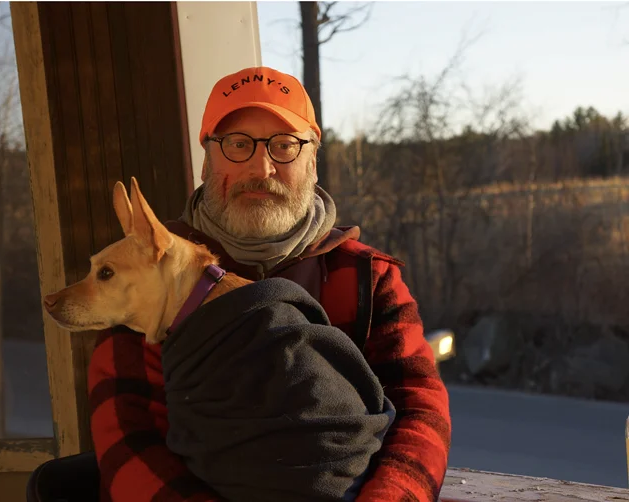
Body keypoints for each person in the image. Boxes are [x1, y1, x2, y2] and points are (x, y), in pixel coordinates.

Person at [88, 66, 451, 502]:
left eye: (284, 146)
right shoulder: (148, 272)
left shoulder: (366, 278)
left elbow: (419, 409)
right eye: (237, 144)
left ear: (312, 162)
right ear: (206, 162)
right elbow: (127, 432)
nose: (261, 168)